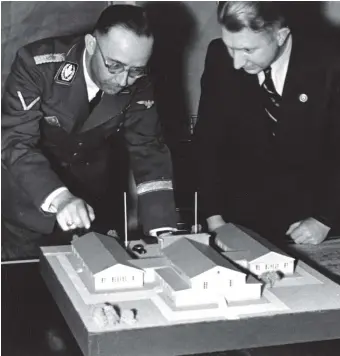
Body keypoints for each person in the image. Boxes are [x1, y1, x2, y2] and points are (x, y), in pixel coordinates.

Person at [1, 4, 178, 258]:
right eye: (114, 65)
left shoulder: (138, 80)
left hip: (91, 205)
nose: (123, 80)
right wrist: (61, 199)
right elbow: (15, 141)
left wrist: (163, 229)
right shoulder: (37, 65)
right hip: (31, 201)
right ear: (91, 45)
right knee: (26, 288)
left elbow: (147, 147)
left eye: (136, 70)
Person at [194, 1, 340, 245]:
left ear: (280, 36)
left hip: (319, 222)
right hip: (243, 222)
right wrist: (214, 218)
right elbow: (207, 142)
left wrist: (324, 219)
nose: (237, 63)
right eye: (232, 48)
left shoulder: (330, 63)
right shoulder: (219, 56)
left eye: (248, 50)